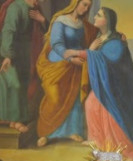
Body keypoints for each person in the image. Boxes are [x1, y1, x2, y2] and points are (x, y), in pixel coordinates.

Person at [69, 7, 133, 161]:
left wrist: (89, 51)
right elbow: (99, 58)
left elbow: (111, 60)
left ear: (107, 20)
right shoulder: (101, 37)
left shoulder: (116, 41)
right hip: (106, 85)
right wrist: (90, 51)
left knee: (105, 111)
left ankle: (124, 151)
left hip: (117, 88)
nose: (94, 18)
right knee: (91, 103)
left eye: (99, 15)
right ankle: (101, 144)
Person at [35, 0, 97, 147]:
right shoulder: (60, 20)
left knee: (73, 97)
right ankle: (46, 133)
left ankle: (72, 130)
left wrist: (118, 36)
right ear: (76, 2)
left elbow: (98, 36)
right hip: (58, 63)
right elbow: (56, 44)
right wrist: (70, 58)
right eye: (84, 4)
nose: (86, 9)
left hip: (76, 65)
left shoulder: (84, 25)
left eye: (88, 7)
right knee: (54, 98)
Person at [0, 0, 48, 133]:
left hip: (27, 54)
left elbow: (46, 33)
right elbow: (8, 31)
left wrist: (42, 20)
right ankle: (15, 120)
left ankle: (16, 121)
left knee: (25, 86)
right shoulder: (16, 7)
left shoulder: (36, 8)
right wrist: (8, 55)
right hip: (13, 53)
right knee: (16, 85)